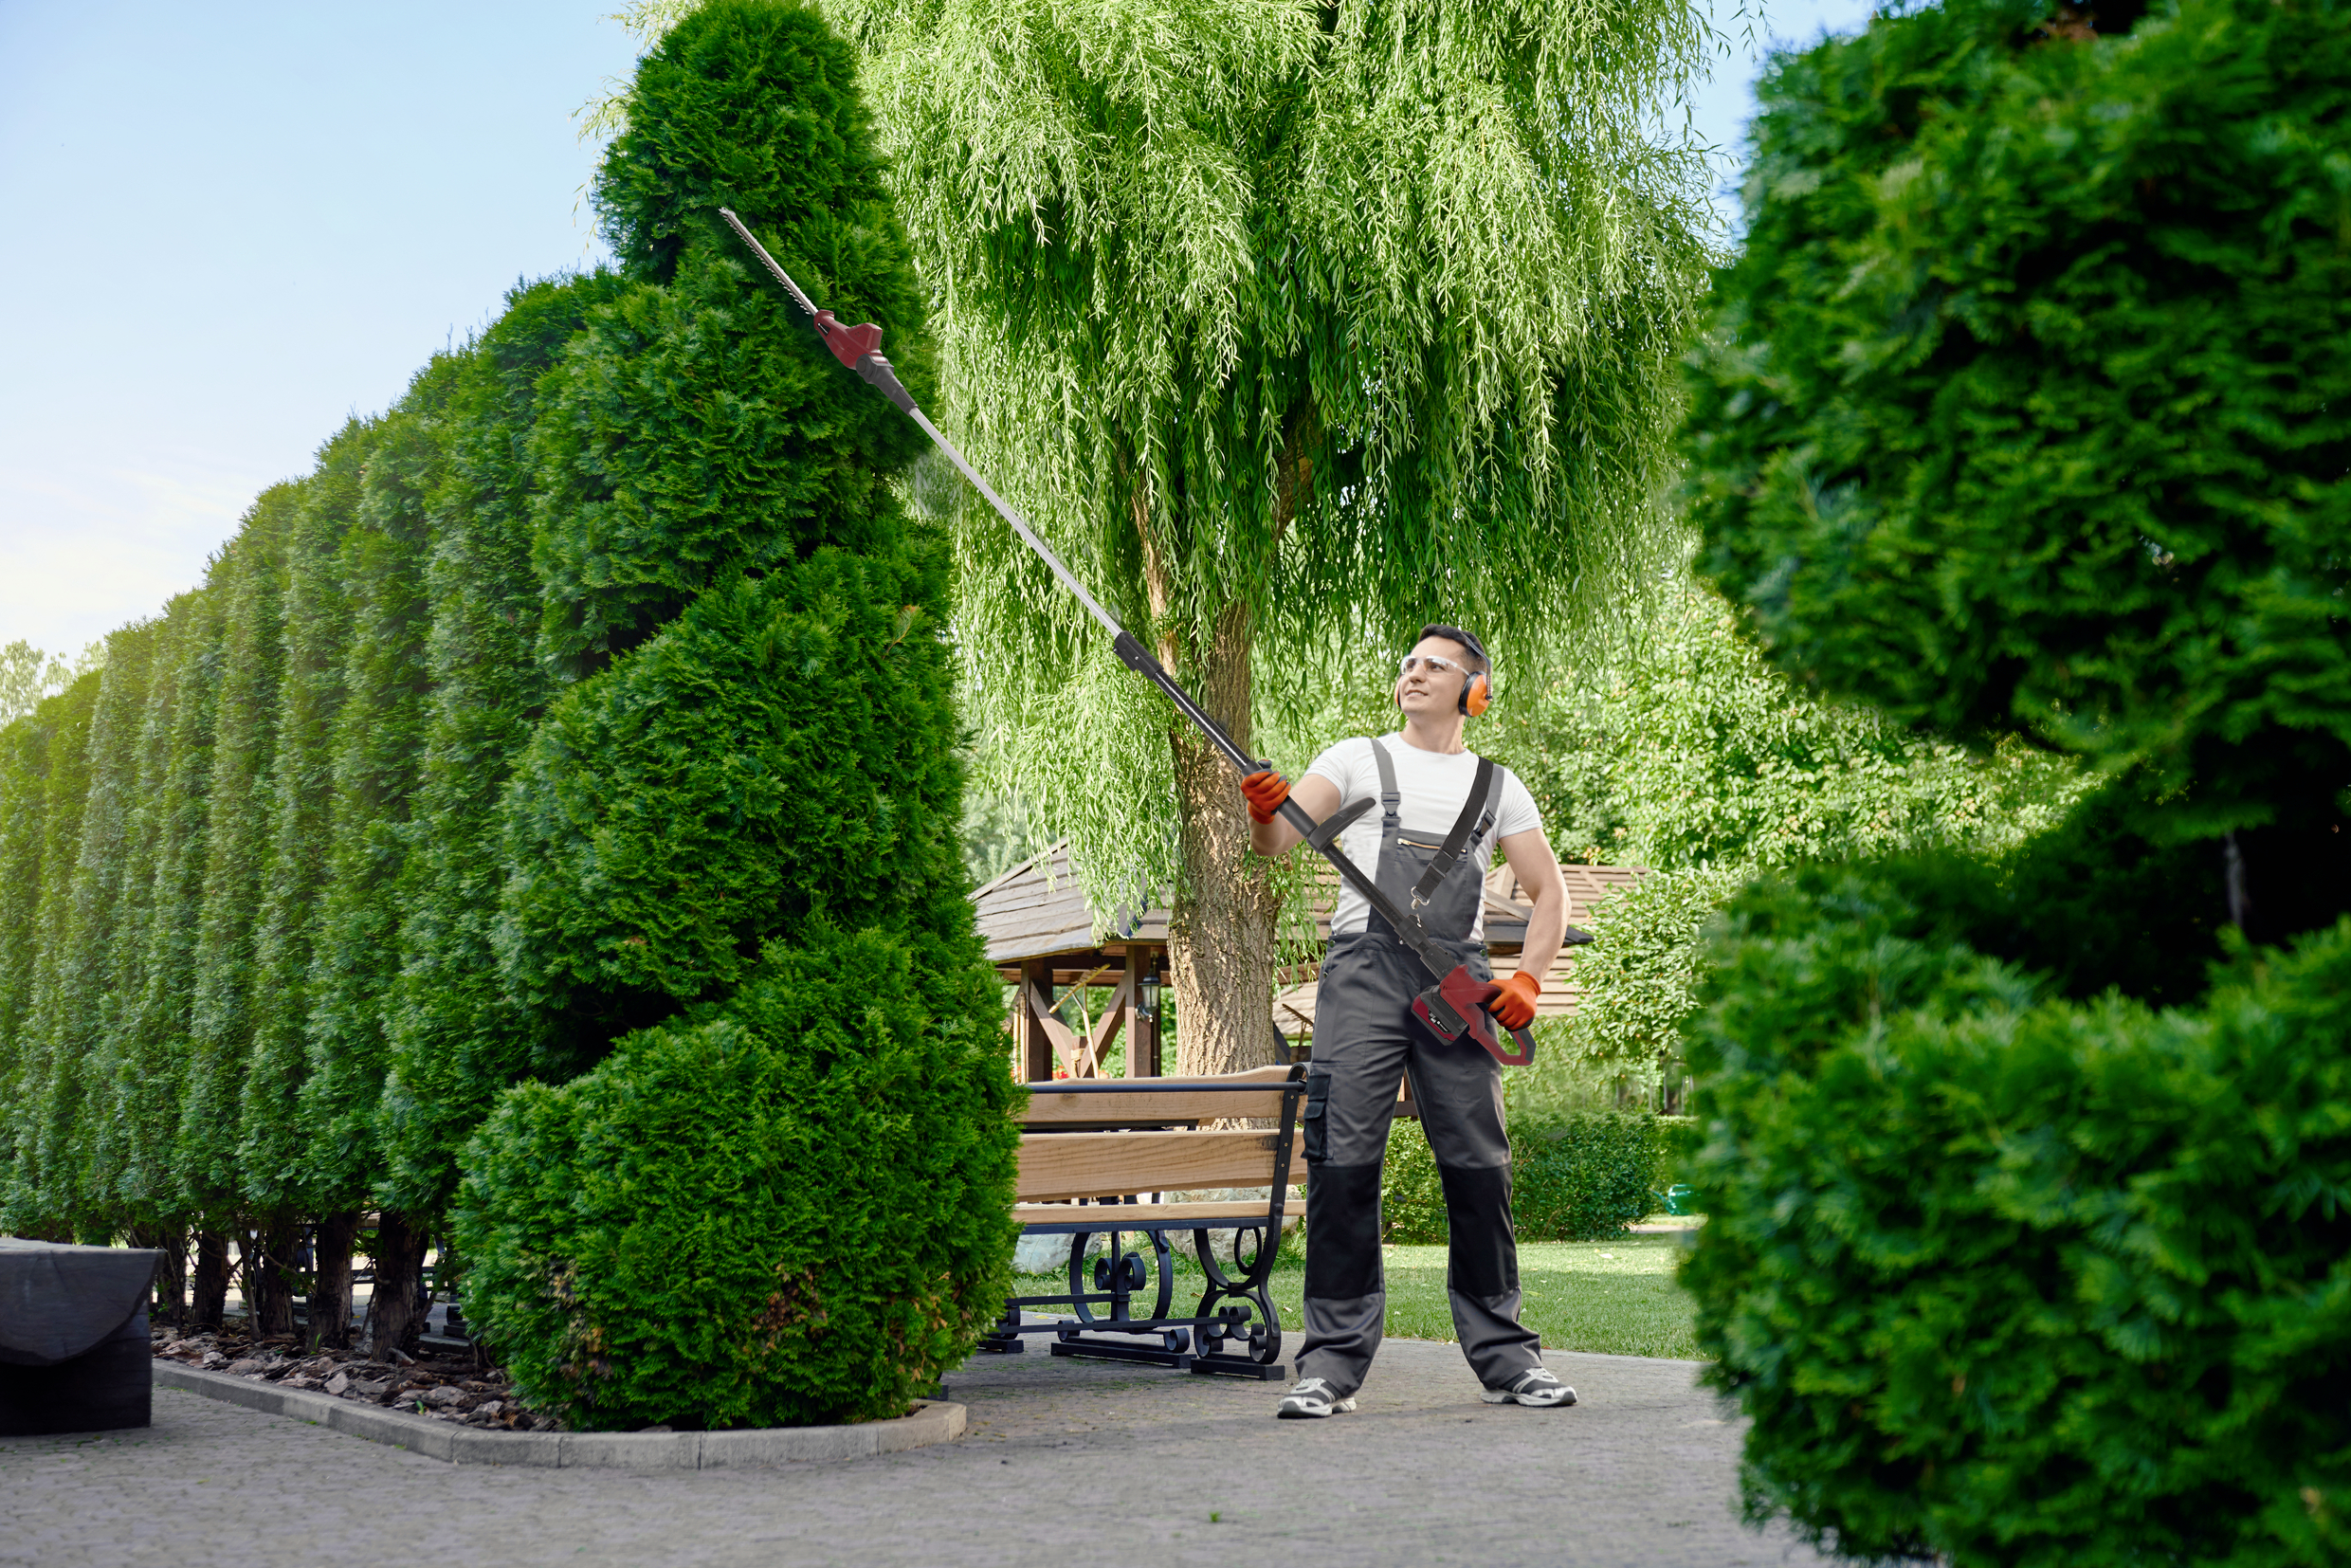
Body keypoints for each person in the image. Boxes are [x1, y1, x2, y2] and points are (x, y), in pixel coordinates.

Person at [1240, 625, 1576, 1419]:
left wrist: (1528, 980)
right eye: (1409, 663)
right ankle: (1329, 1366)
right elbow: (1276, 842)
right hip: (1363, 973)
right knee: (1343, 1159)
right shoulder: (1354, 758)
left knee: (1480, 1166)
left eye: (1436, 665)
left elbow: (1550, 893)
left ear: (1474, 692)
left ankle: (1509, 1359)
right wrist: (1261, 811)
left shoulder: (1499, 786)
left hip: (1458, 984)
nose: (1415, 673)